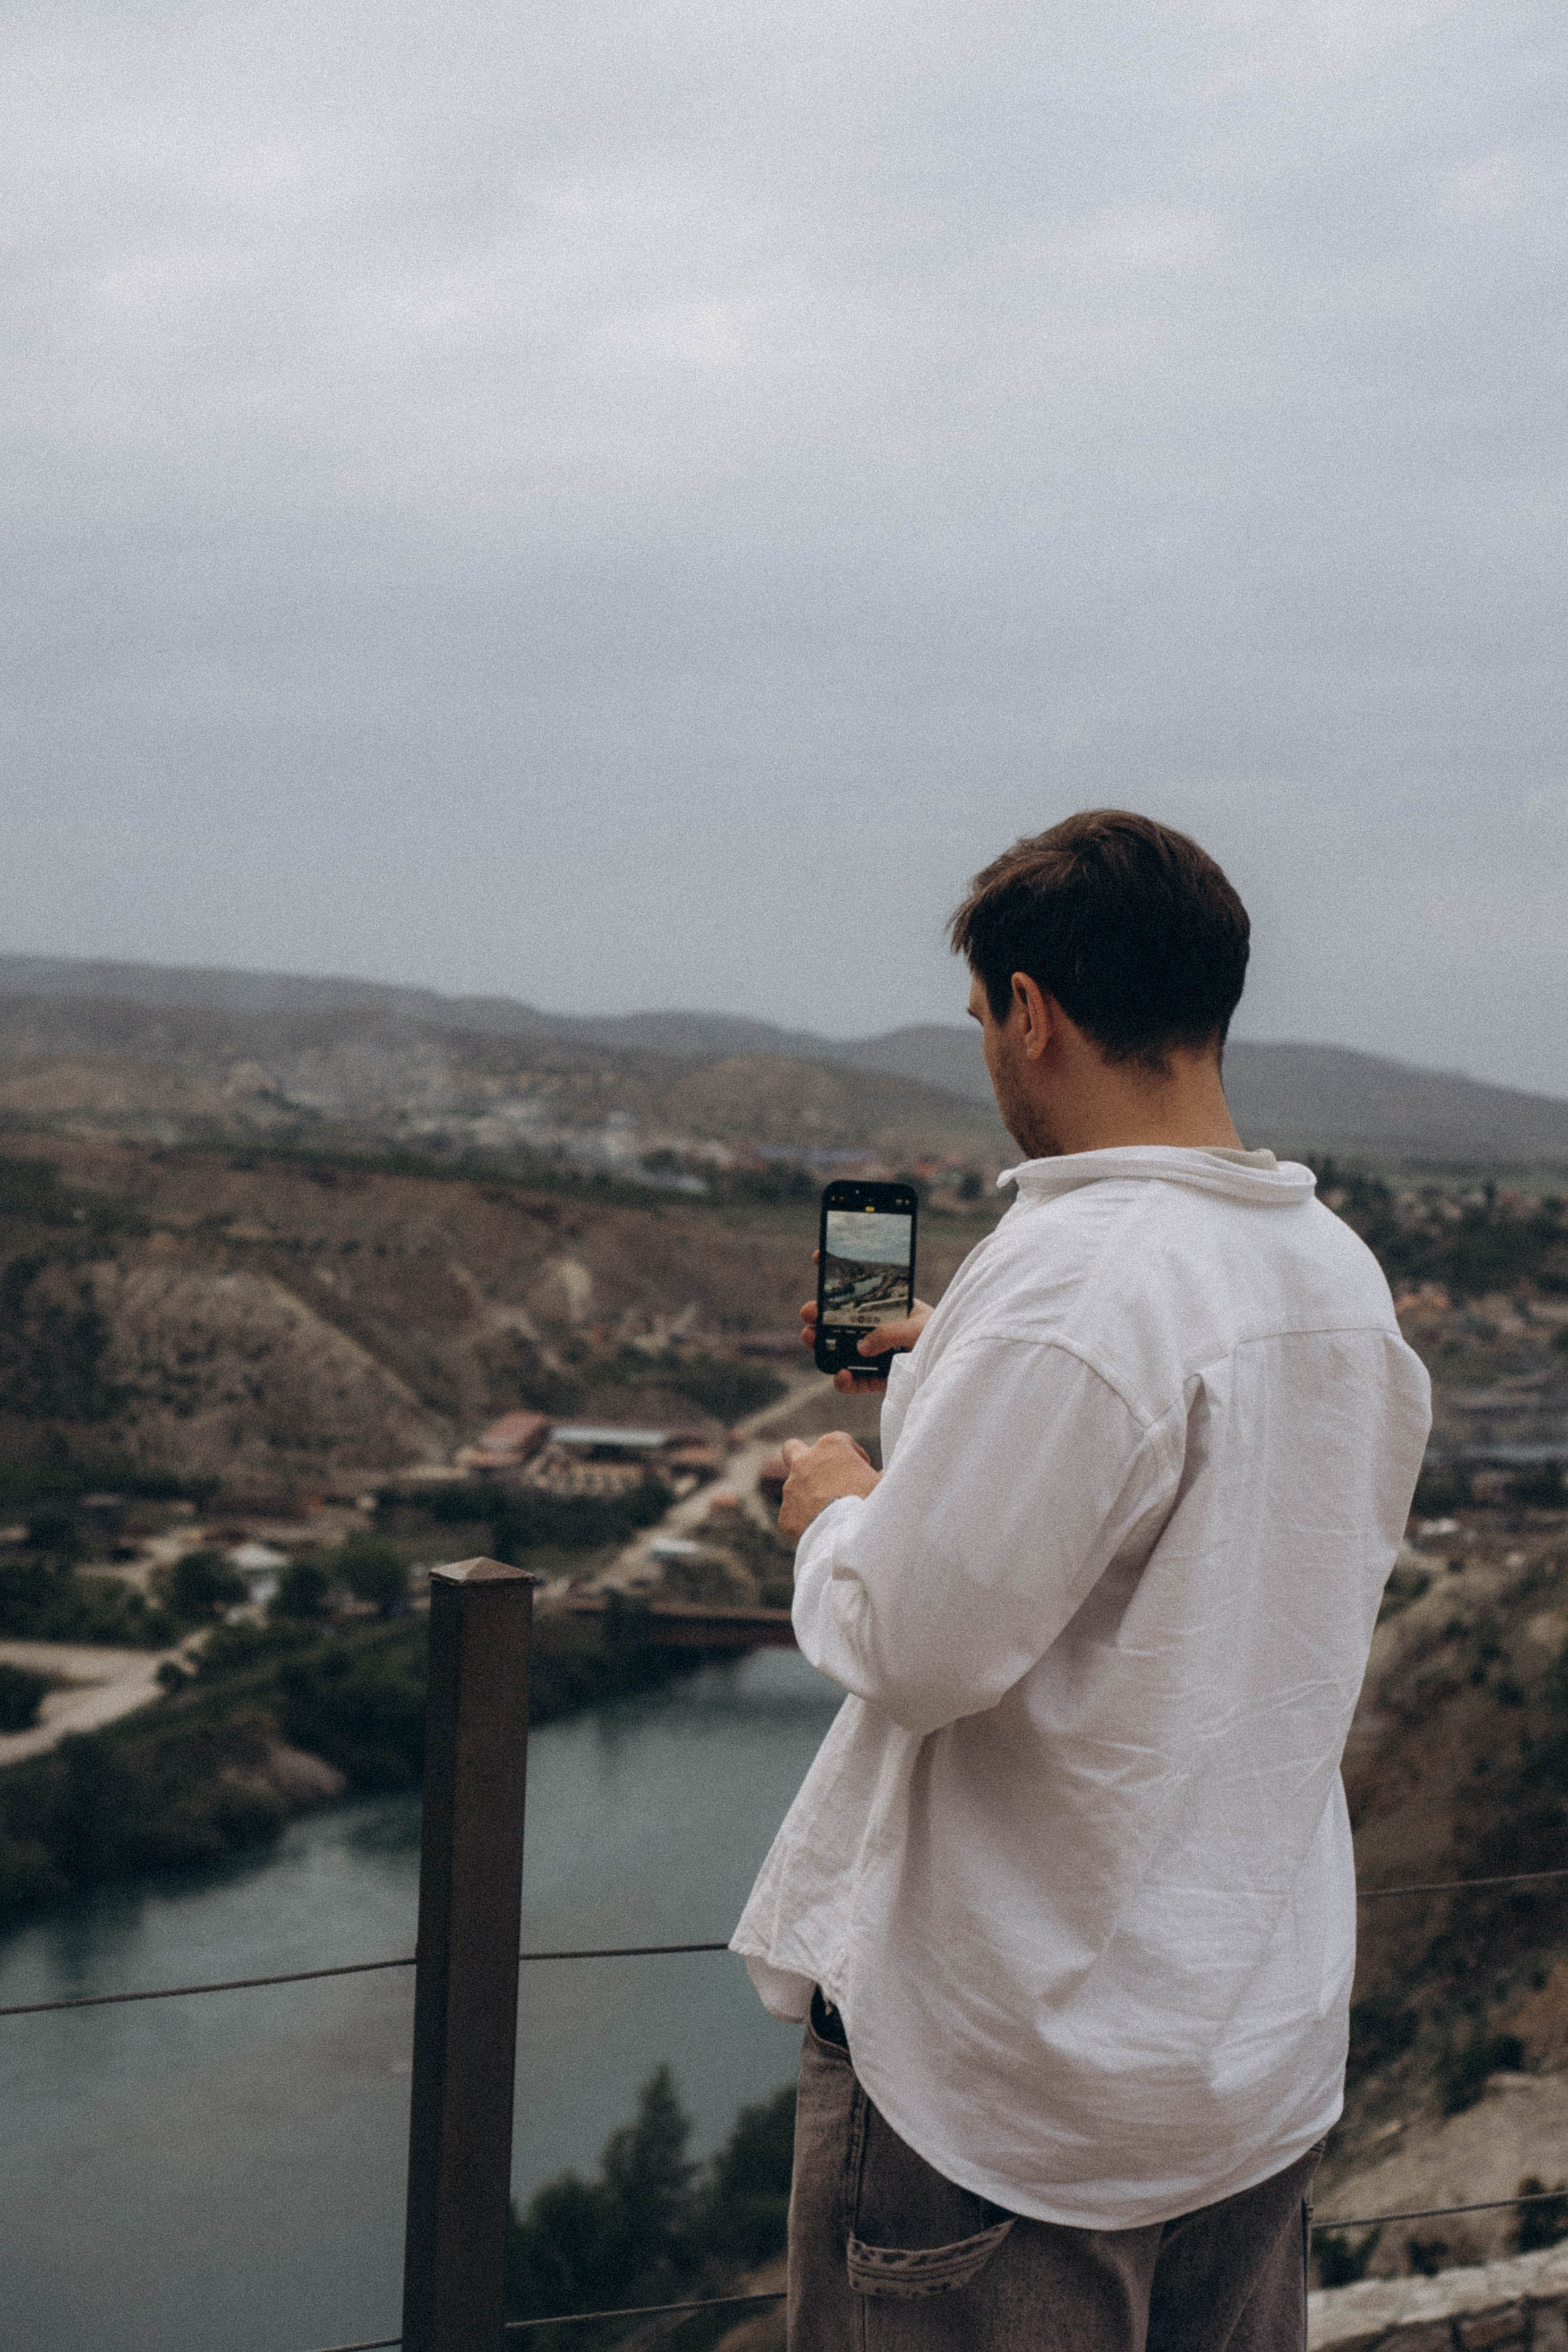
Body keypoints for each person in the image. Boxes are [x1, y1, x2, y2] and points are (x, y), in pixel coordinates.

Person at [730, 811, 1431, 2351]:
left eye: (985, 1015)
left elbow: (913, 1647)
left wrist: (835, 1503)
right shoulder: (1328, 1273)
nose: (990, 1046)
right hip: (1237, 2068)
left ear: (1029, 1014)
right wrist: (959, 1373)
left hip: (1019, 2103)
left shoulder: (1077, 1277)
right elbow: (1185, 1520)